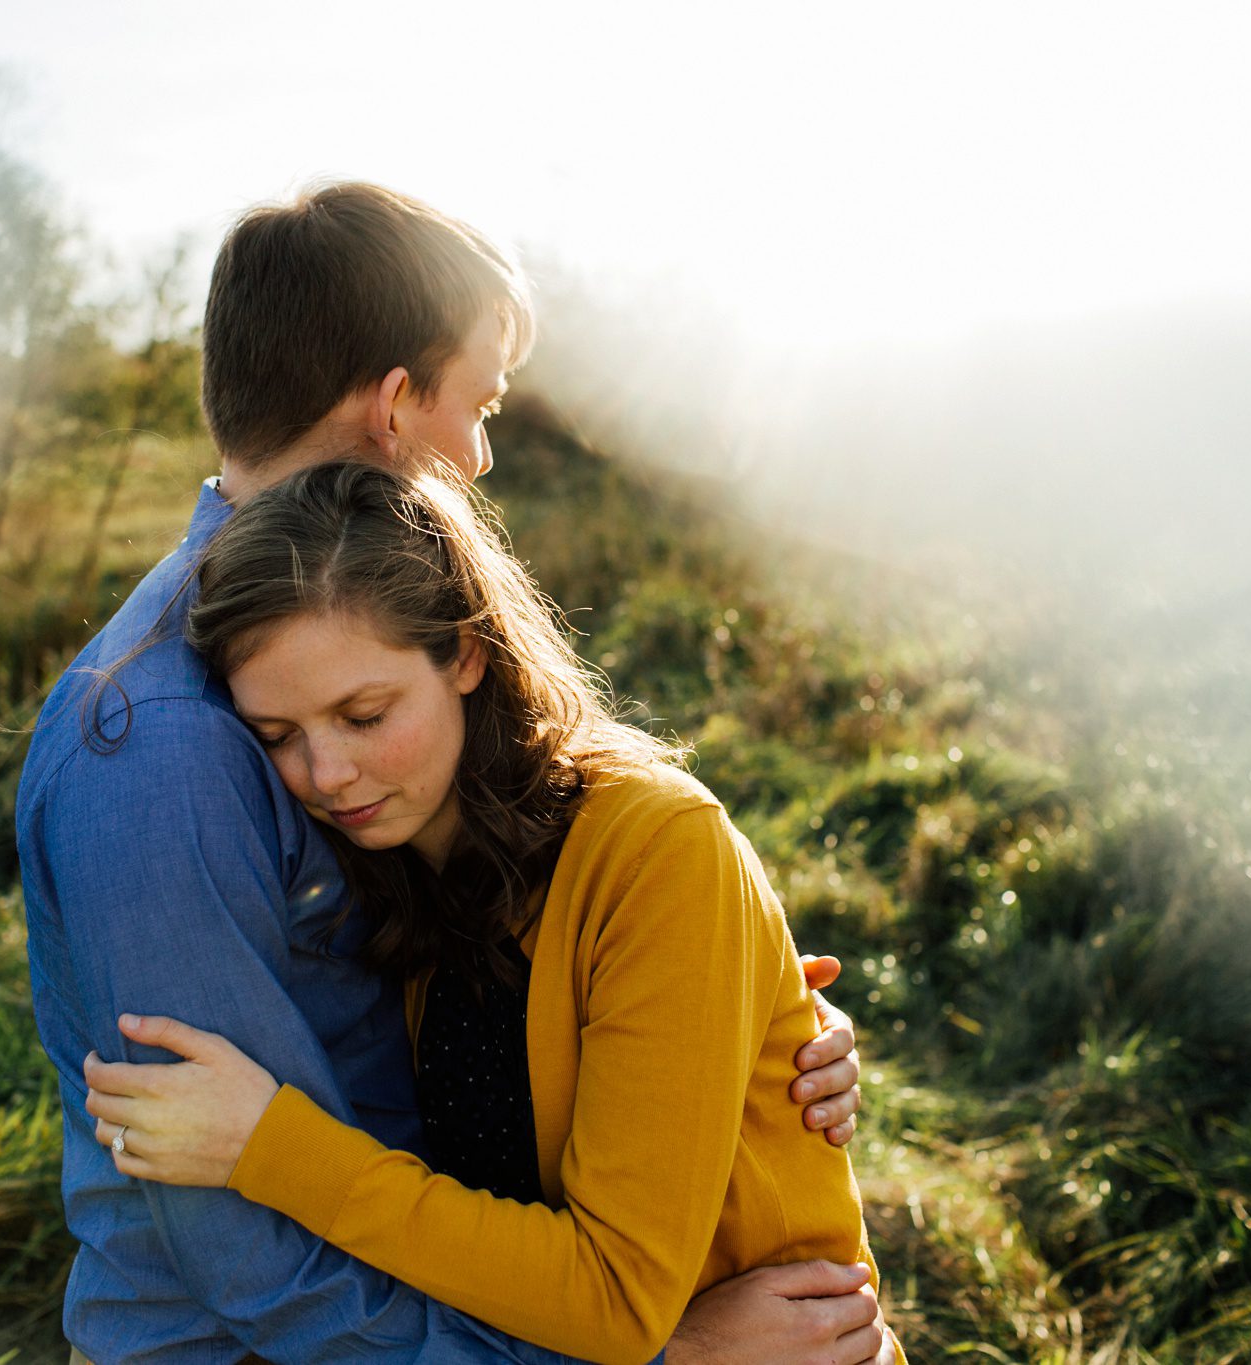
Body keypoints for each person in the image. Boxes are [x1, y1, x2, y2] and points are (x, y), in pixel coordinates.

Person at [17, 182, 879, 1363]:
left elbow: (581, 972)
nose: (478, 458)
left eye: (364, 714)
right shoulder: (163, 741)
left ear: (460, 659)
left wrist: (744, 1029)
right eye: (477, 407)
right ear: (391, 409)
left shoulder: (437, 802)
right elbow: (247, 1265)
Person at [79, 461, 904, 1365]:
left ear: (466, 653)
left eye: (364, 714)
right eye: (278, 735)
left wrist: (274, 1147)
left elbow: (616, 1299)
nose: (324, 774)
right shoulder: (386, 872)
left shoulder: (657, 847)